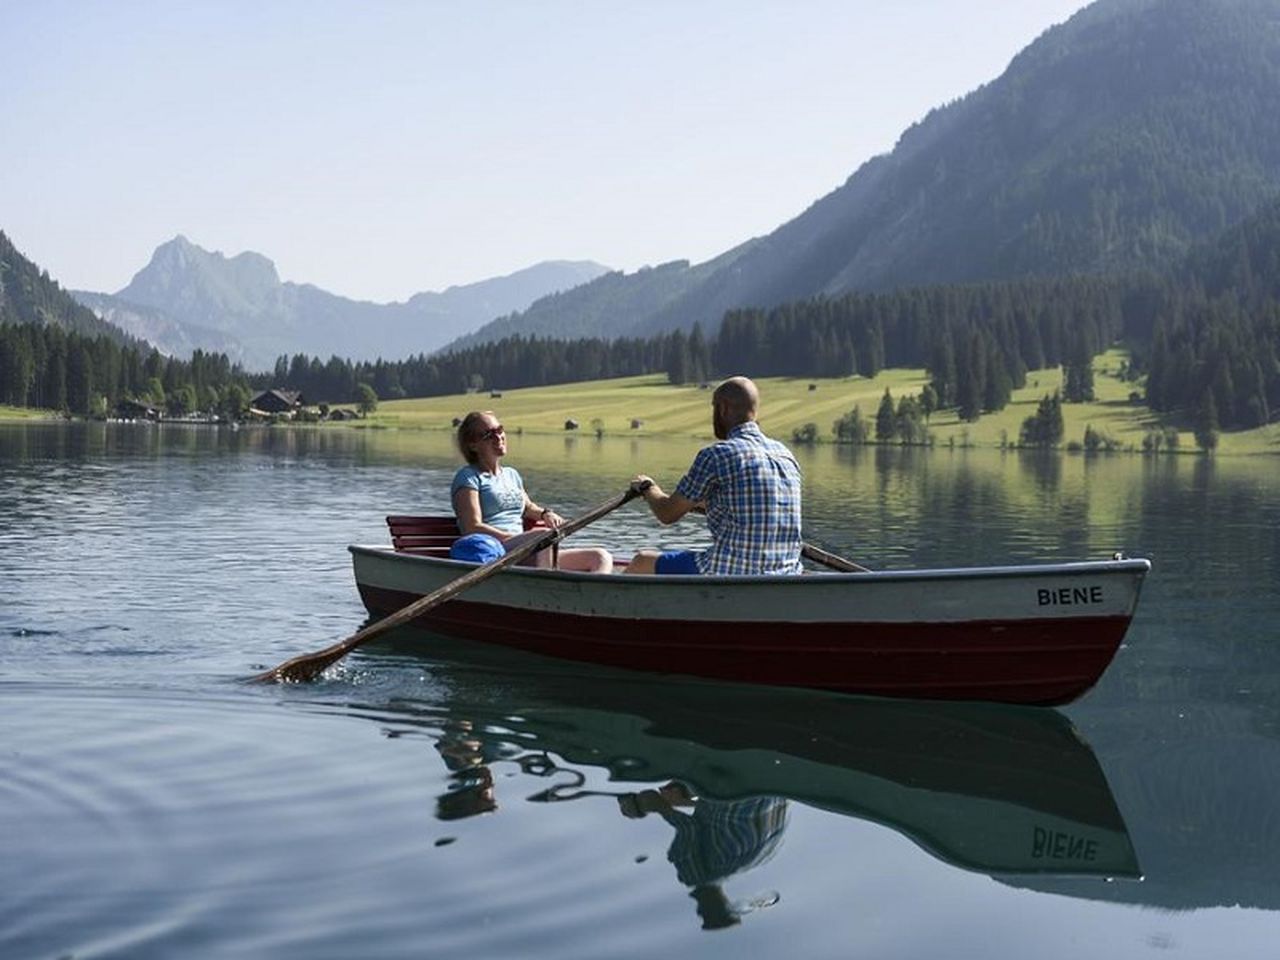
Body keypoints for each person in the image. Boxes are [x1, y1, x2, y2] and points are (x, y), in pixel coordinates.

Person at [626, 376, 803, 575]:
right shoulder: (785, 455)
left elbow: (667, 513)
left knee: (641, 561)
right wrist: (707, 503)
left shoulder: (717, 455)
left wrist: (649, 488)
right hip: (786, 574)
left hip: (730, 571)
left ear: (723, 408)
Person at [452, 410, 613, 573]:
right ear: (472, 445)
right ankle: (546, 591)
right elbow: (471, 527)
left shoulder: (511, 474)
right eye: (488, 434)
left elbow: (528, 507)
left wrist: (545, 514)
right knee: (542, 536)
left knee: (600, 557)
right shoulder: (468, 477)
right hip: (494, 550)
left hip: (527, 549)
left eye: (499, 430)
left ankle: (593, 597)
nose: (498, 436)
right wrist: (515, 539)